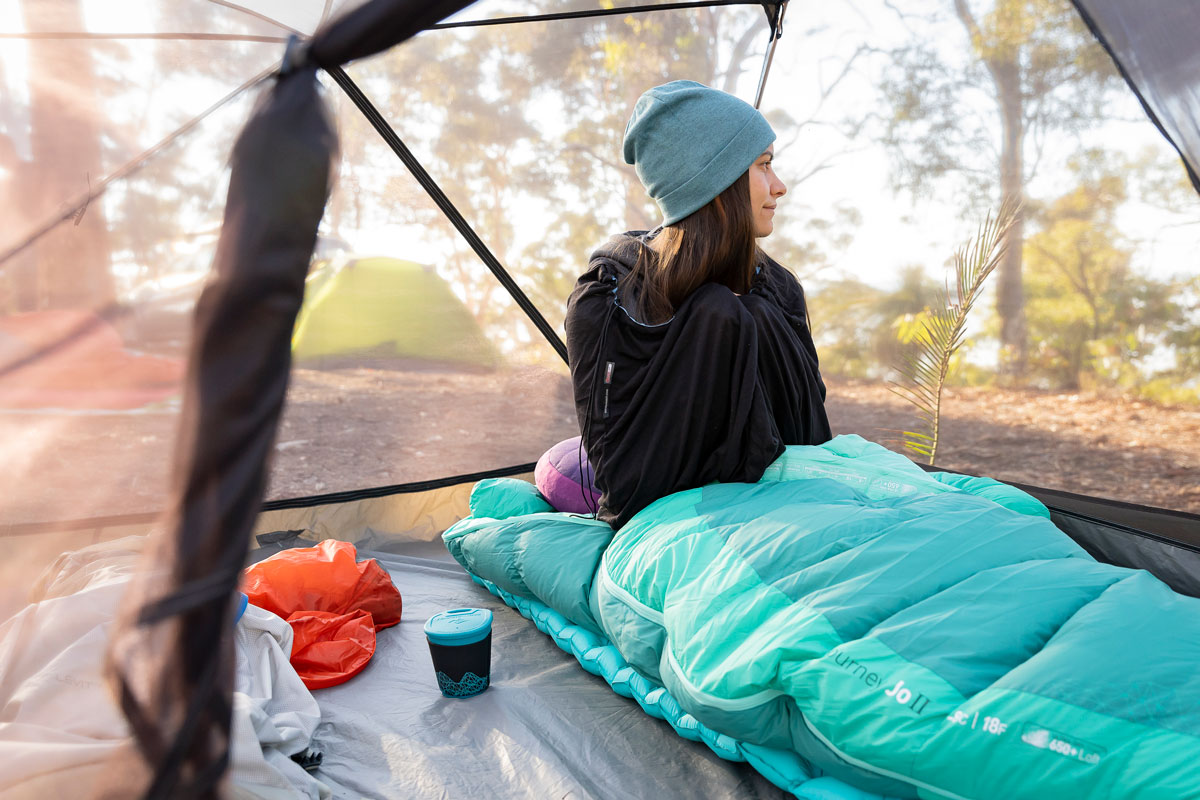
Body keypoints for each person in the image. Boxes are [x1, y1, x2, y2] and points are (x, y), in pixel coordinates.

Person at [565, 80, 832, 529]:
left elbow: (814, 434)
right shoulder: (607, 299)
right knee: (718, 312)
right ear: (717, 180)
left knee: (753, 313)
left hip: (802, 506)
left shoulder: (777, 289)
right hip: (665, 523)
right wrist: (715, 326)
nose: (780, 186)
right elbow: (621, 471)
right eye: (763, 165)